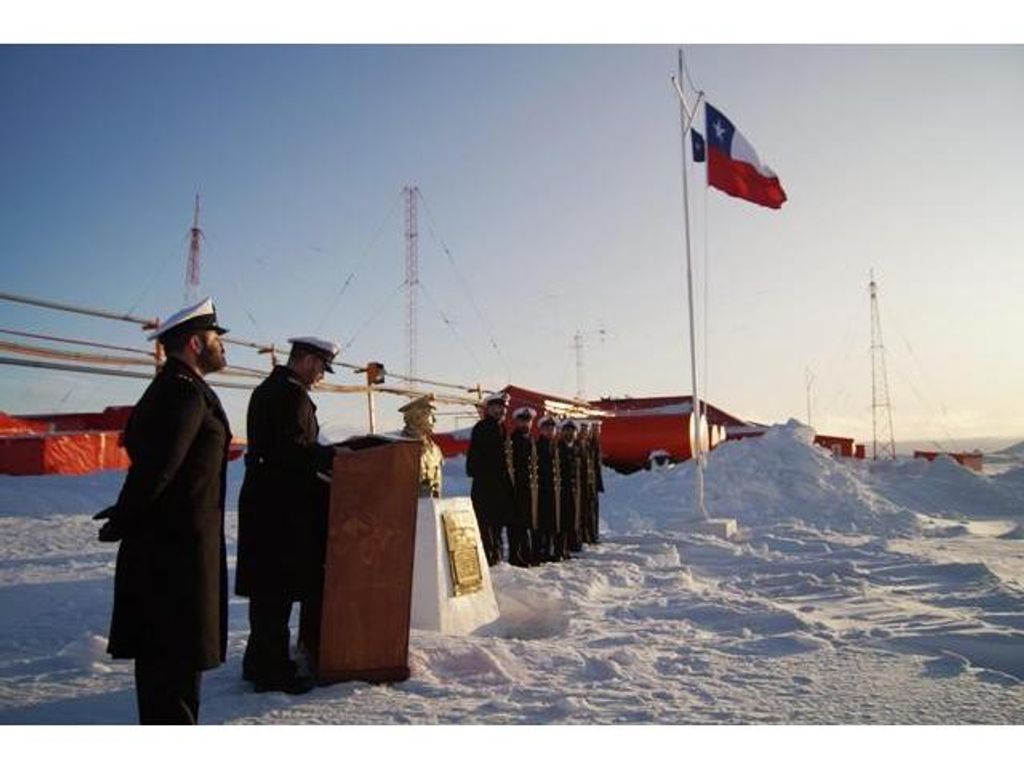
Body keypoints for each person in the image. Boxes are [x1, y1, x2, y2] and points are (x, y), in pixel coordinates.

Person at [95, 297, 231, 725]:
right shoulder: (182, 392)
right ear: (194, 343)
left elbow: (155, 464)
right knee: (171, 677)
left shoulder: (174, 387)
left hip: (171, 552)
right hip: (175, 559)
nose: (222, 348)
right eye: (214, 339)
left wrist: (127, 512)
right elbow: (160, 467)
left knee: (169, 674)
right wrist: (126, 516)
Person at [235, 336, 340, 694]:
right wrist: (336, 458)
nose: (322, 376)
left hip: (270, 505)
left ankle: (259, 661)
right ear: (308, 361)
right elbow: (293, 452)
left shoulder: (275, 389)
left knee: (269, 592)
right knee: (275, 591)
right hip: (279, 509)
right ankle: (271, 670)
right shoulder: (289, 395)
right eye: (322, 367)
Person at [465, 392, 515, 566]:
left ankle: (495, 555)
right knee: (486, 525)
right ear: (489, 409)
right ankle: (489, 557)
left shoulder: (501, 428)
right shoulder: (484, 427)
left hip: (498, 486)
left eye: (503, 408)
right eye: (497, 408)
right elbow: (475, 461)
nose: (500, 411)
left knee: (496, 525)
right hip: (486, 486)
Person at [508, 406, 538, 567]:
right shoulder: (513, 440)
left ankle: (526, 553)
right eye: (522, 420)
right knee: (516, 523)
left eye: (528, 421)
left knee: (525, 521)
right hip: (517, 487)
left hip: (528, 487)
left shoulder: (530, 440)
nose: (525, 423)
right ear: (517, 421)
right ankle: (515, 555)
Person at [400, 394, 443, 498]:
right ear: (416, 418)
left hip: (429, 507)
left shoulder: (435, 449)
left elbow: (437, 484)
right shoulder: (401, 447)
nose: (434, 420)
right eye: (430, 416)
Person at [534, 414, 561, 563]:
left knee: (551, 521)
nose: (550, 431)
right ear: (541, 430)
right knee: (541, 522)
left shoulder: (554, 446)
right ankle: (539, 551)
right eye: (547, 428)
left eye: (552, 428)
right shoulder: (539, 446)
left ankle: (548, 550)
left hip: (552, 489)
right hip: (542, 489)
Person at [557, 420, 582, 558]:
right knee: (562, 519)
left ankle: (567, 547)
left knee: (570, 519)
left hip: (573, 489)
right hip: (561, 489)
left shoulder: (575, 449)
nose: (569, 434)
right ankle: (560, 548)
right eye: (567, 431)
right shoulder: (559, 448)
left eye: (572, 432)